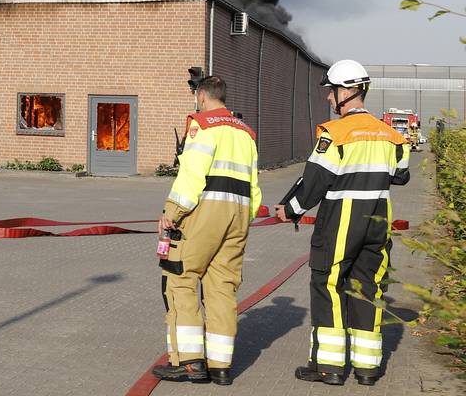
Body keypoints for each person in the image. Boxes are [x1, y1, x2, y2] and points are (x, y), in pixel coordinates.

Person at [275, 59, 410, 386]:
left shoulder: (333, 134)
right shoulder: (392, 136)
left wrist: (288, 209)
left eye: (331, 91)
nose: (328, 98)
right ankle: (367, 369)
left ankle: (328, 367)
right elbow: (402, 176)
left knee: (328, 285)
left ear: (346, 92)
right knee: (368, 289)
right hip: (378, 224)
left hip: (340, 224)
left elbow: (314, 182)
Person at [153, 76, 262, 386]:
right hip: (239, 216)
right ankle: (221, 366)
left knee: (181, 278)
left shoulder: (202, 125)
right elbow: (254, 185)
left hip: (204, 214)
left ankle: (189, 363)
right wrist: (245, 219)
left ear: (201, 96)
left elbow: (192, 175)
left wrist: (171, 212)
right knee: (222, 288)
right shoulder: (246, 133)